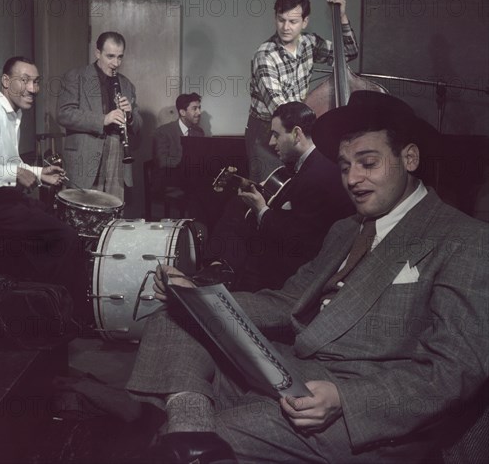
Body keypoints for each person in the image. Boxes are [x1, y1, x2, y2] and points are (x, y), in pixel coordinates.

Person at [126, 90, 489, 464]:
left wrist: (345, 401)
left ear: (409, 157)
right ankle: (191, 434)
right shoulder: (346, 229)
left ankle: (191, 438)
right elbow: (287, 303)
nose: (354, 179)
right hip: (294, 370)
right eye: (346, 166)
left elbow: (453, 372)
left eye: (368, 163)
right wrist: (200, 297)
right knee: (175, 318)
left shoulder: (466, 240)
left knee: (202, 437)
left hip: (364, 408)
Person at [0, 56, 82, 296]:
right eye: (25, 80)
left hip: (6, 200)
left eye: (36, 82)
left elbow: (10, 162)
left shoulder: (12, 114)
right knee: (65, 236)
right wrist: (14, 173)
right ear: (6, 81)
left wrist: (40, 174)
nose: (32, 89)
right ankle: (57, 304)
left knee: (58, 220)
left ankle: (30, 293)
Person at [205, 101, 353, 291]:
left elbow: (296, 240)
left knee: (240, 225)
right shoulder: (313, 164)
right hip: (300, 249)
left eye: (276, 134)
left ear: (297, 134)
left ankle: (223, 275)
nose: (271, 142)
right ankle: (220, 269)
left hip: (300, 267)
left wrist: (261, 210)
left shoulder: (314, 176)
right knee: (236, 208)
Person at [246, 0, 359, 182]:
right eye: (281, 20)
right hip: (267, 132)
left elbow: (348, 52)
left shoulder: (309, 43)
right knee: (272, 191)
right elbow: (280, 111)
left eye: (293, 21)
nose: (286, 27)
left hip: (295, 128)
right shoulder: (265, 55)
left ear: (305, 22)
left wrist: (342, 16)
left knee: (301, 186)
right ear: (275, 18)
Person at [57, 31, 142, 202]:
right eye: (110, 56)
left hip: (117, 153)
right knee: (83, 212)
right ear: (97, 53)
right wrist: (103, 119)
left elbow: (139, 125)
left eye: (119, 57)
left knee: (113, 209)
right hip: (86, 151)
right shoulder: (76, 76)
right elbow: (64, 114)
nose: (115, 63)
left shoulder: (126, 84)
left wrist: (130, 115)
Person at [151, 92, 204, 193]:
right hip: (168, 178)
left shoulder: (199, 132)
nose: (199, 112)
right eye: (194, 108)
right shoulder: (163, 132)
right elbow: (163, 161)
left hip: (192, 177)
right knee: (199, 188)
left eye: (199, 108)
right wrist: (188, 164)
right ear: (182, 112)